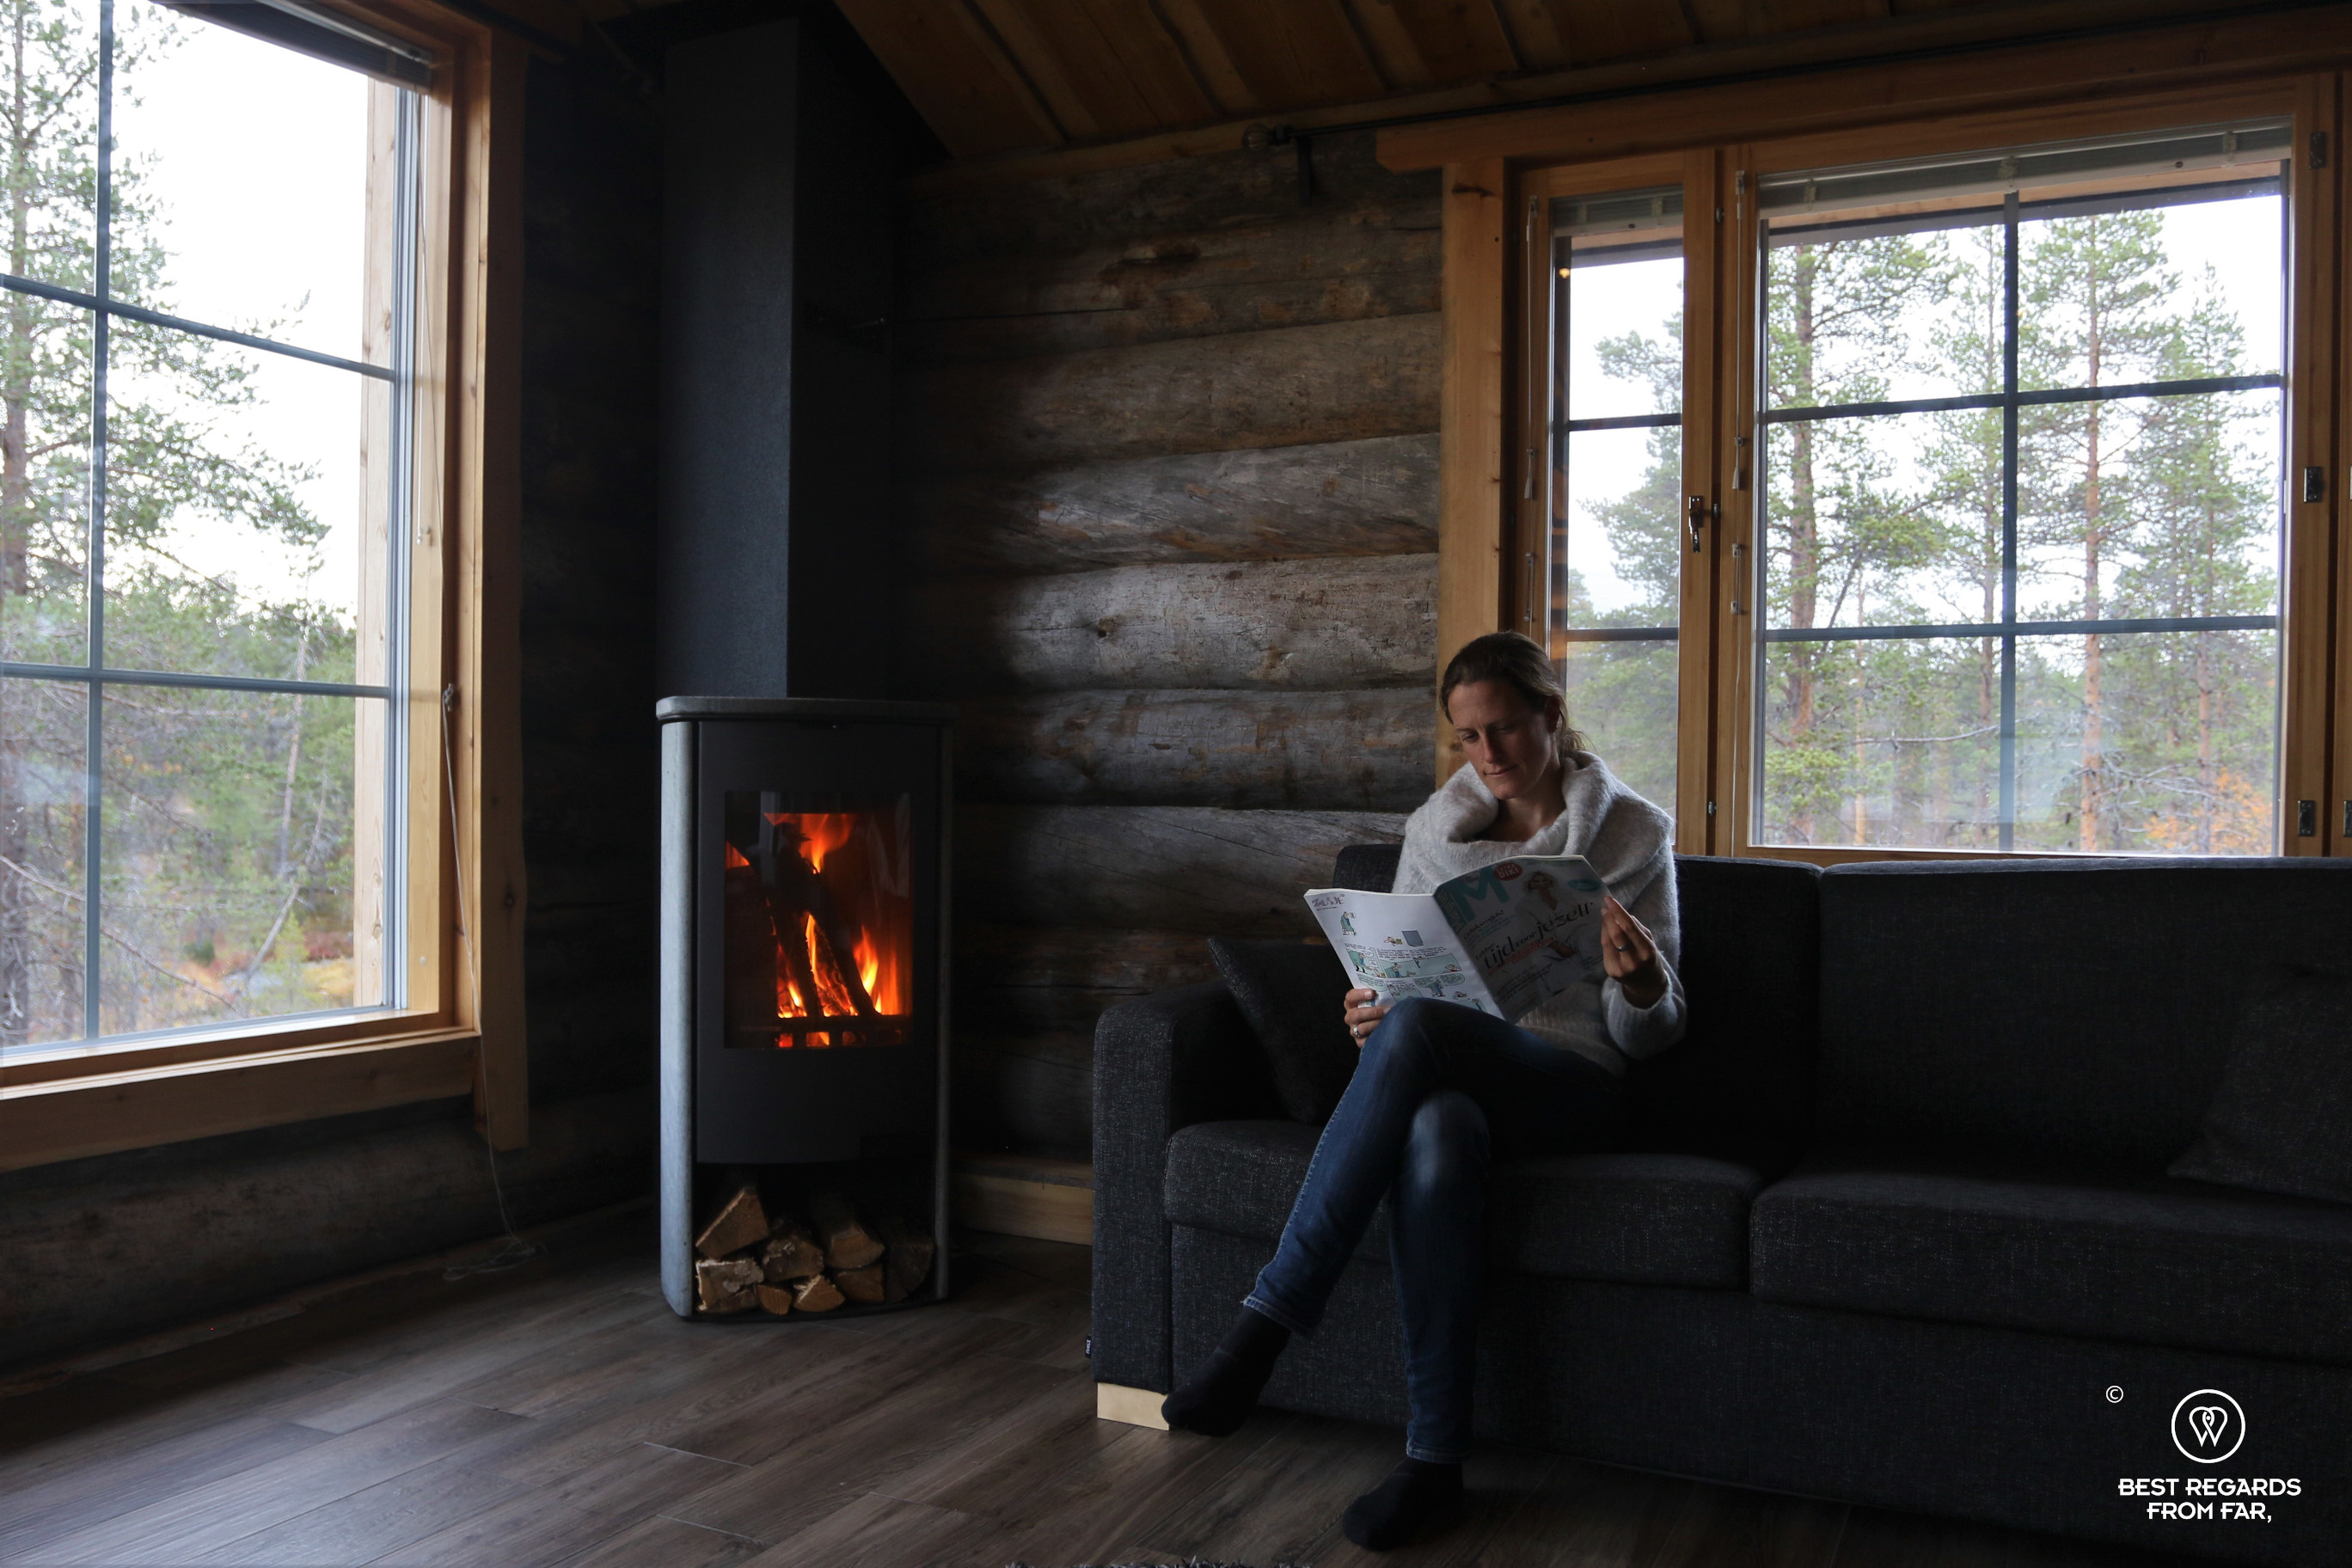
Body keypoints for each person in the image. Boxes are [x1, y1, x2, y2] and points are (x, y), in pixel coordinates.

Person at [1160, 630, 1687, 1550]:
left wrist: (1641, 981)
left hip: (1575, 1086)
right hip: (1449, 1074)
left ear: (1552, 718)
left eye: (1508, 730)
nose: (1491, 757)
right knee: (1436, 1127)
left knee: (1420, 1040)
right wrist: (1369, 1014)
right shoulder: (1433, 834)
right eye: (1469, 739)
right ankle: (1432, 1464)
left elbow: (1652, 1033)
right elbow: (1392, 976)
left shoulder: (1634, 834)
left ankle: (1266, 1323)